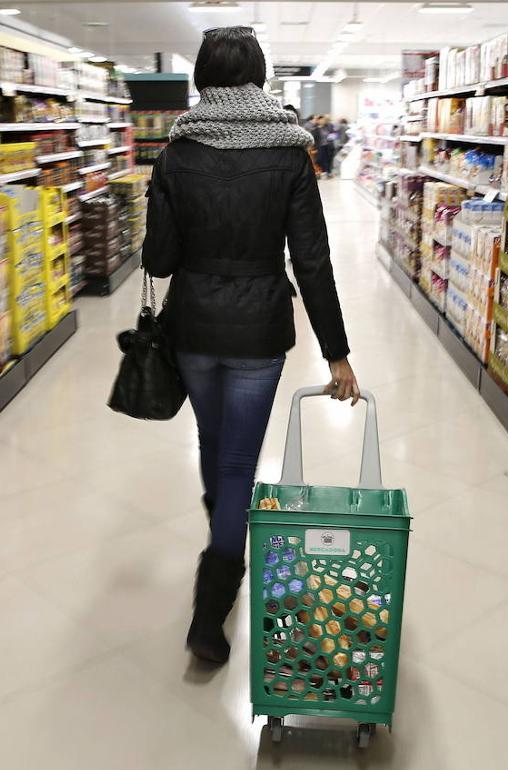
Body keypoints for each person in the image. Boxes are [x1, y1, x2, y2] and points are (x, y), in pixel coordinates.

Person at [142, 26, 360, 665]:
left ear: (201, 80)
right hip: (260, 328)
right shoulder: (292, 149)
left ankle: (222, 538)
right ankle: (210, 607)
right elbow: (312, 261)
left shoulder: (176, 151)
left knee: (216, 448)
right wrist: (336, 352)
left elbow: (158, 258)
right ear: (259, 78)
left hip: (194, 325)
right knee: (237, 462)